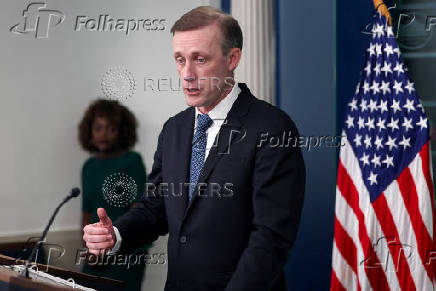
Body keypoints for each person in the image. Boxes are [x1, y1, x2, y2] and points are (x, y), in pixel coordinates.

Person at [83, 6, 305, 291]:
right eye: (180, 59)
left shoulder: (272, 127)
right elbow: (156, 208)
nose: (187, 74)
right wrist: (116, 234)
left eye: (200, 59)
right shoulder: (174, 129)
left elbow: (270, 237)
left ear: (232, 58)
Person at [78, 99, 150, 291]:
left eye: (110, 128)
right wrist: (89, 249)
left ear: (122, 132)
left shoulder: (132, 161)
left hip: (126, 251)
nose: (103, 134)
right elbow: (86, 212)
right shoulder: (89, 166)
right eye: (98, 128)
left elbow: (138, 211)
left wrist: (113, 247)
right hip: (95, 253)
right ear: (89, 132)